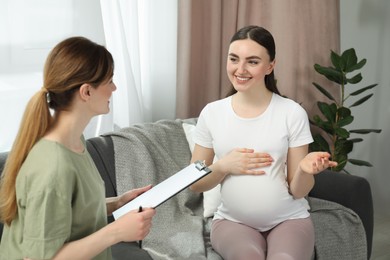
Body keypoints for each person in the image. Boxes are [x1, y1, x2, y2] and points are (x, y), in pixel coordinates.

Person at [190, 25, 338, 260]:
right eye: (234, 59)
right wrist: (223, 166)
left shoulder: (291, 113)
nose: (240, 69)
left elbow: (298, 190)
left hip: (289, 220)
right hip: (232, 222)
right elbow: (194, 184)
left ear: (270, 66)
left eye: (252, 61)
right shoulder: (212, 113)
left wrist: (304, 170)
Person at [0, 36, 155, 260]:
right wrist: (117, 231)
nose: (114, 87)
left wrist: (118, 202)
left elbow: (70, 210)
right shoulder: (52, 167)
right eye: (109, 80)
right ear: (86, 92)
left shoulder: (75, 141)